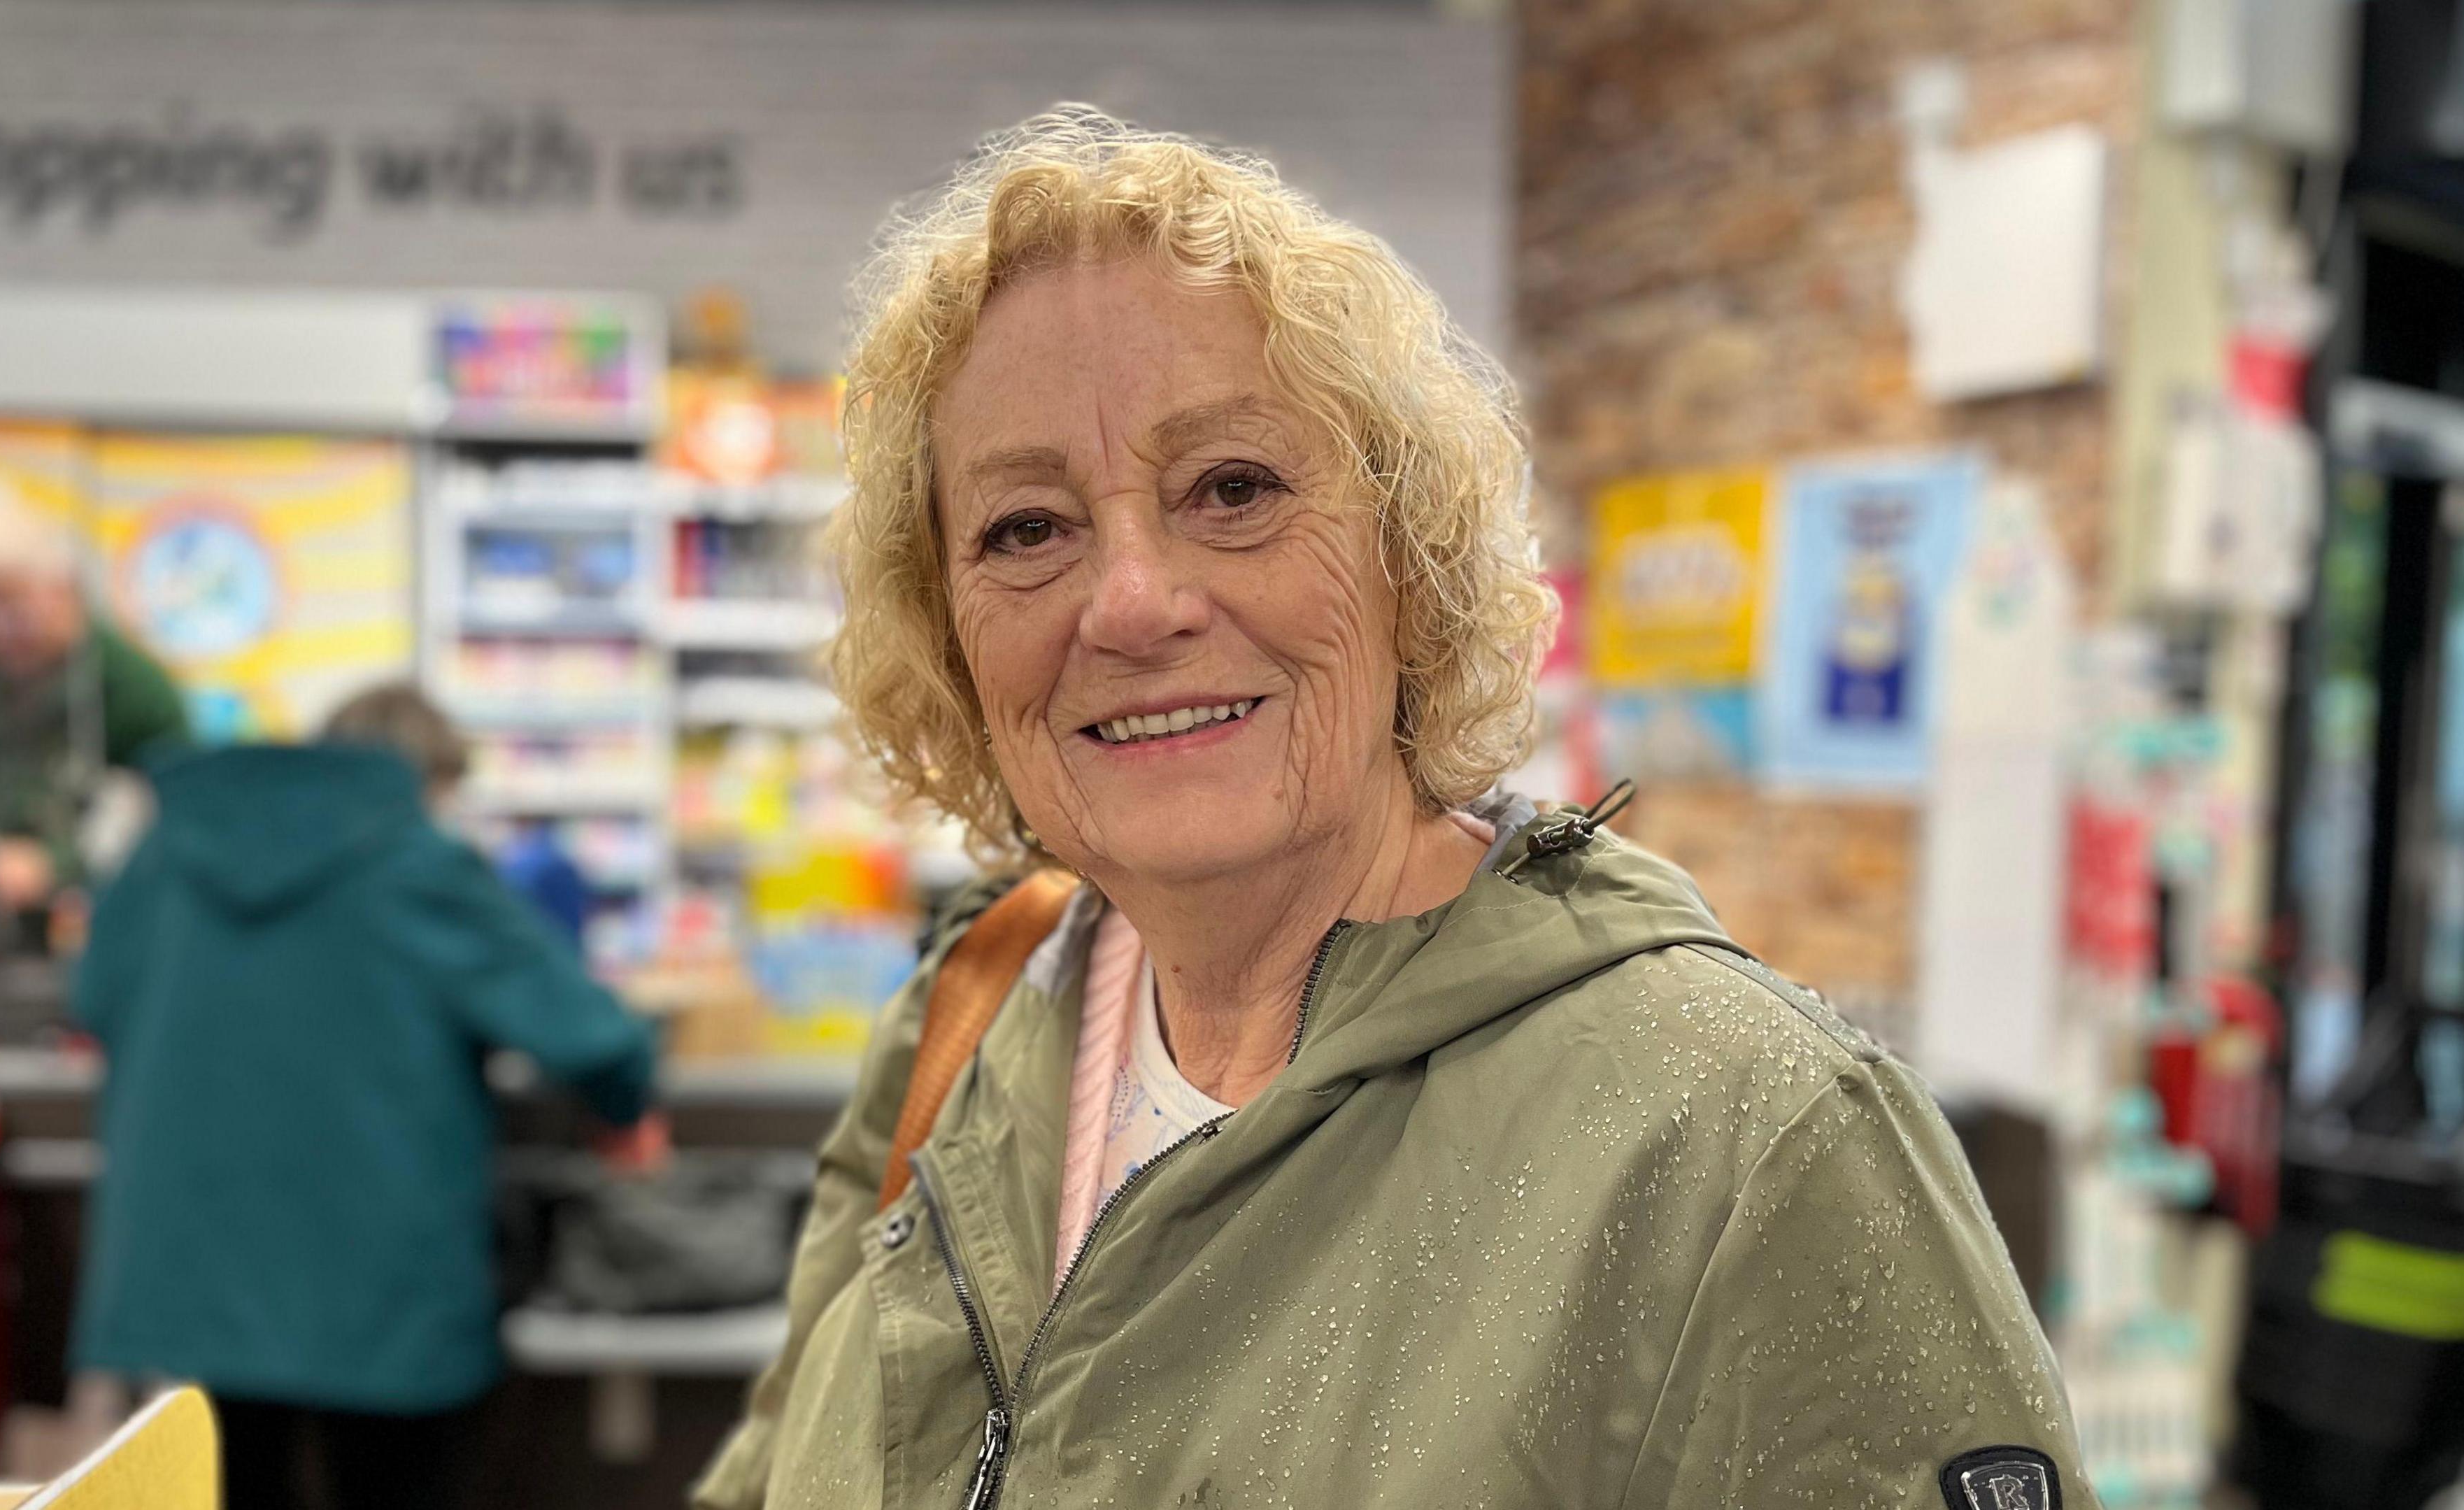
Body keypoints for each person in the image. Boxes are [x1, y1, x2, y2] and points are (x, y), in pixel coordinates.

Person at [695, 108, 2099, 1510]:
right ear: (947, 633)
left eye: (1233, 489)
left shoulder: (1745, 1143)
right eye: (1026, 528)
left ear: (1406, 561)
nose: (1129, 601)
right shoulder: (971, 1020)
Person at [71, 683, 665, 1510]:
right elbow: (595, 1035)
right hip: (382, 1272)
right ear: (422, 782)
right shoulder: (414, 859)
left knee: (240, 1477)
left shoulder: (166, 847)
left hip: (199, 1267)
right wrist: (624, 1105)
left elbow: (93, 997)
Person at [0, 504, 189, 926]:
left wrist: (58, 864)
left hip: (92, 918)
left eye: (14, 607)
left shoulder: (130, 687)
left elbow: (178, 814)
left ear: (63, 591)